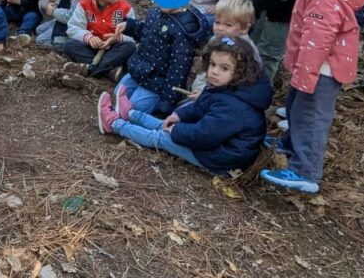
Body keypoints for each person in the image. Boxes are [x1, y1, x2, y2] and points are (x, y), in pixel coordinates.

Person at [261, 0, 364, 194]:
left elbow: (317, 37)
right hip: (314, 66)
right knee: (297, 110)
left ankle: (305, 171)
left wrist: (305, 73)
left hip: (319, 68)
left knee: (310, 117)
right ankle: (289, 145)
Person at [99, 36, 270, 178]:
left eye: (224, 68)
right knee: (165, 124)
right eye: (213, 64)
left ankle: (115, 125)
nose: (215, 71)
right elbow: (200, 105)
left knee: (162, 137)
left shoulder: (233, 106)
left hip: (219, 159)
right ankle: (130, 114)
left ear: (241, 72)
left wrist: (176, 131)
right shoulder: (225, 87)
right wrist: (178, 116)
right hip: (213, 145)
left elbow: (205, 135)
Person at [111, 0, 212, 118]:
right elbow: (146, 34)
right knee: (118, 93)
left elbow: (178, 69)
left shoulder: (183, 29)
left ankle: (123, 120)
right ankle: (118, 113)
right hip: (141, 70)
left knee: (134, 108)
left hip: (159, 82)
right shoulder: (155, 12)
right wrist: (130, 26)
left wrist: (167, 101)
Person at [62, 0, 137, 79]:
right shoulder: (84, 5)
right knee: (69, 45)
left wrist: (117, 38)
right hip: (91, 48)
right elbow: (73, 28)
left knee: (130, 47)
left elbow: (133, 36)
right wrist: (89, 38)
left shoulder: (125, 8)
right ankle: (108, 71)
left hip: (114, 49)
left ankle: (91, 69)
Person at [189, 0, 261, 98]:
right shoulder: (215, 39)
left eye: (228, 25)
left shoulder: (245, 50)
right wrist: (199, 87)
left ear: (245, 28)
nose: (220, 28)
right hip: (207, 87)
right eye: (217, 22)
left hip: (228, 95)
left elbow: (244, 81)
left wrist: (206, 94)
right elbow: (205, 66)